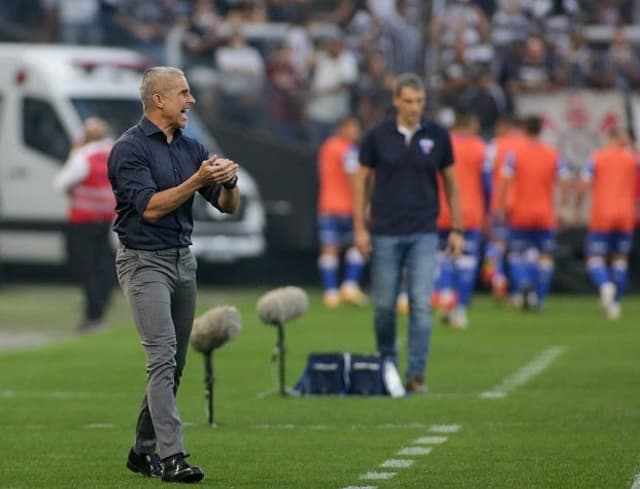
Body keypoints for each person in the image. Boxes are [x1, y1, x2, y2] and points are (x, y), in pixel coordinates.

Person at [108, 66, 240, 483]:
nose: (192, 100)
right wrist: (197, 179)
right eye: (184, 93)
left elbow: (226, 205)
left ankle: (141, 451)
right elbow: (149, 208)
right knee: (162, 356)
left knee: (175, 364)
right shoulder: (128, 150)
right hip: (143, 261)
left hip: (183, 261)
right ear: (158, 100)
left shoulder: (191, 146)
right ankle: (173, 458)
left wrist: (229, 182)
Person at [353, 73, 464, 394]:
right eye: (409, 101)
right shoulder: (377, 136)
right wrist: (360, 228)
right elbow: (361, 182)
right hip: (385, 231)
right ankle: (387, 368)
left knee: (419, 303)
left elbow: (452, 184)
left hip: (425, 231)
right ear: (396, 101)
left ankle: (416, 374)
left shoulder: (438, 136)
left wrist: (457, 227)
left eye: (420, 101)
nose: (415, 107)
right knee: (384, 306)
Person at [53, 117, 116, 332]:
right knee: (103, 262)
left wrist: (74, 152)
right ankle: (102, 303)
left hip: (82, 219)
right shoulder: (112, 151)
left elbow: (60, 182)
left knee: (86, 267)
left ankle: (93, 313)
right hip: (106, 216)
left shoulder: (83, 155)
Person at [499, 115, 568, 311]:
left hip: (521, 211)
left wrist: (502, 206)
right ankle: (540, 298)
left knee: (516, 254)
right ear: (541, 131)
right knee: (545, 256)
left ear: (524, 130)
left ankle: (523, 285)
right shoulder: (552, 153)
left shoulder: (515, 153)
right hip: (545, 212)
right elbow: (563, 181)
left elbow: (505, 179)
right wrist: (562, 207)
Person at [434, 111, 490, 329]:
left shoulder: (440, 144)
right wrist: (488, 212)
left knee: (443, 256)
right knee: (466, 260)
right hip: (470, 213)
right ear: (470, 124)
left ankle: (446, 295)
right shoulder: (480, 147)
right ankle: (460, 311)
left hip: (442, 211)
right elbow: (487, 185)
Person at [575, 127, 638, 319]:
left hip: (602, 215)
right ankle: (614, 305)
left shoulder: (597, 157)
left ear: (608, 138)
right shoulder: (632, 159)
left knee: (595, 257)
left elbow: (584, 184)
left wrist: (577, 207)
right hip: (626, 215)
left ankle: (605, 285)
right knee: (620, 258)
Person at [316, 116, 366, 309]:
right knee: (358, 244)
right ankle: (350, 285)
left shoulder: (327, 146)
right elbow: (354, 178)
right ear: (342, 128)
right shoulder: (348, 150)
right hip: (347, 206)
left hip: (327, 205)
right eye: (353, 128)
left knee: (329, 248)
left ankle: (331, 293)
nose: (356, 132)